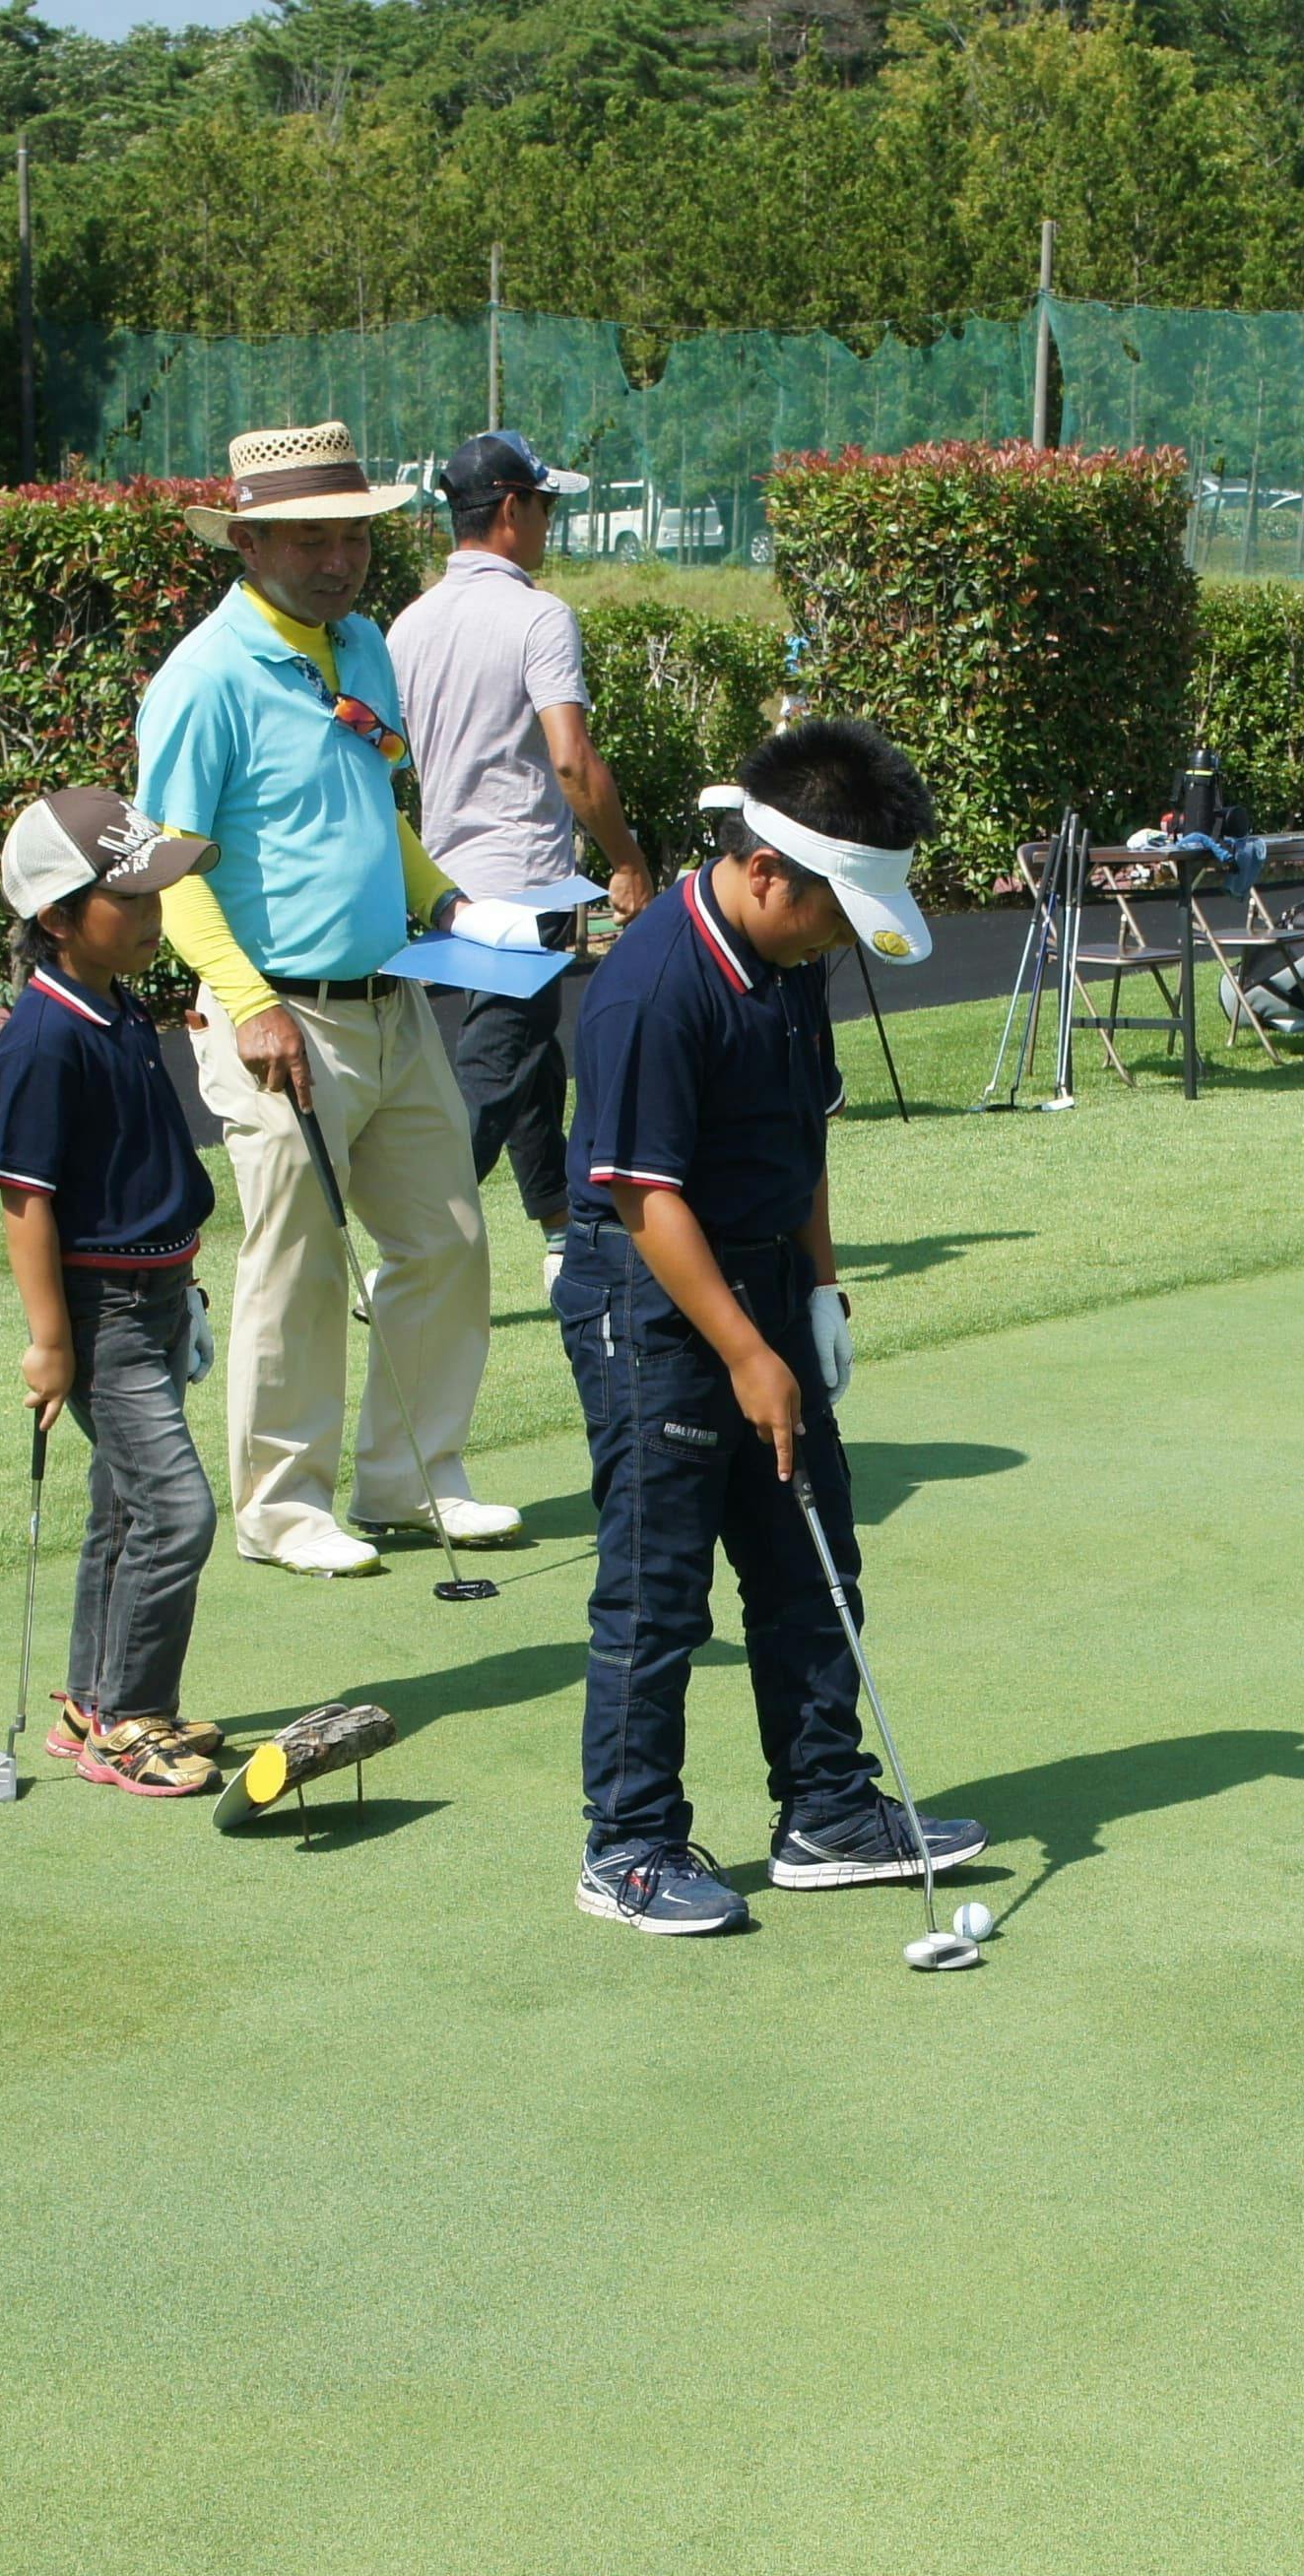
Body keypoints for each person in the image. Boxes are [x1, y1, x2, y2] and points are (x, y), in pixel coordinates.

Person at [554, 716, 984, 1936]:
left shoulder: (791, 963)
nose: (842, 936)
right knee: (657, 1588)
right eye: (833, 910)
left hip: (762, 1279)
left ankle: (826, 1809)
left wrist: (818, 1293)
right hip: (649, 1298)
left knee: (810, 1557)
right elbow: (641, 1196)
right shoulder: (652, 987)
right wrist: (745, 1353)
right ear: (762, 870)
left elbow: (803, 1142)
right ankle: (627, 1843)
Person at [135, 418, 558, 1580]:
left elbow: (375, 815)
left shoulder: (364, 645)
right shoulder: (204, 679)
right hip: (277, 1016)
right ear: (249, 545)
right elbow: (170, 872)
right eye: (309, 540)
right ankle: (281, 1507)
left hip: (393, 1001)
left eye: (352, 538)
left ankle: (408, 1475)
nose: (338, 561)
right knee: (300, 1261)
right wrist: (246, 1001)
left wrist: (450, 904)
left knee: (446, 1239)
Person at [0, 788, 226, 1797]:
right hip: (105, 1315)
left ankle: (90, 1697)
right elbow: (24, 1200)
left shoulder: (120, 1007)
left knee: (126, 1506)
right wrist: (50, 1342)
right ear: (56, 916)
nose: (152, 912)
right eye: (127, 897)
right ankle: (130, 1720)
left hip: (158, 1294)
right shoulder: (44, 1038)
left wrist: (187, 1283)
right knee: (177, 1513)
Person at [385, 430, 662, 1281]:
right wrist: (627, 858)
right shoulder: (541, 616)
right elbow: (572, 761)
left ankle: (561, 1228)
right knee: (496, 1065)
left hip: (445, 884)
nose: (550, 522)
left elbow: (390, 761)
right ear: (512, 508)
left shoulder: (410, 624)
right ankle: (410, 1252)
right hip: (527, 883)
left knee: (531, 1055)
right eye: (545, 505)